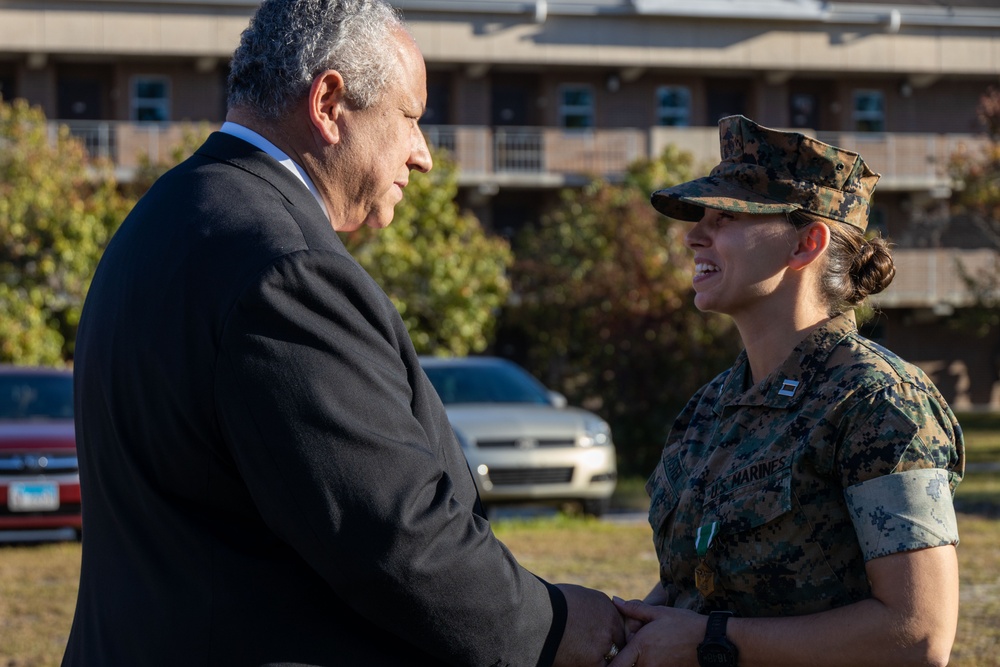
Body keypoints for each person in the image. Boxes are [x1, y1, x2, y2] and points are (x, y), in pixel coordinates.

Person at [62, 1, 624, 665]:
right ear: (329, 103)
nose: (424, 157)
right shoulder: (286, 270)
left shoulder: (162, 220)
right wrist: (559, 626)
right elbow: (396, 542)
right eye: (411, 117)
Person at [609, 115, 964, 667]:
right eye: (701, 216)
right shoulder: (711, 405)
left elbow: (918, 633)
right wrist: (629, 623)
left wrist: (712, 642)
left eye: (726, 216)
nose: (694, 235)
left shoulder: (880, 402)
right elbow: (693, 587)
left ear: (806, 243)